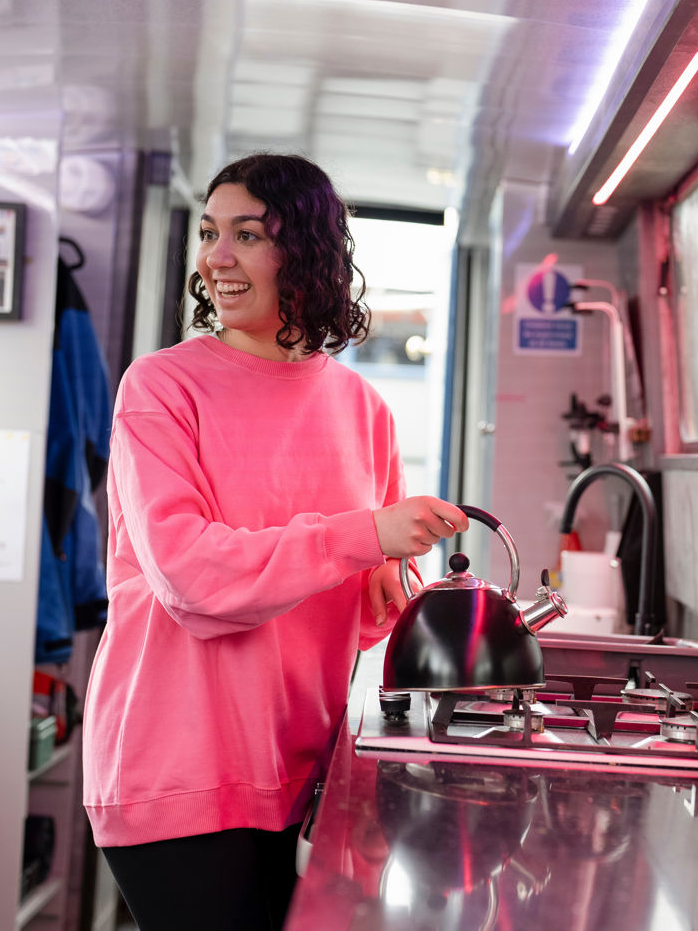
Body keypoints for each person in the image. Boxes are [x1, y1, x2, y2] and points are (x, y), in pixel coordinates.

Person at [82, 152, 468, 930]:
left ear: (307, 252)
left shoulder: (364, 409)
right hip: (179, 770)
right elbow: (192, 579)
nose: (217, 258)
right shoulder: (160, 388)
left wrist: (393, 582)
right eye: (210, 233)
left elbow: (353, 613)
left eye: (247, 234)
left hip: (303, 764)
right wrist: (365, 534)